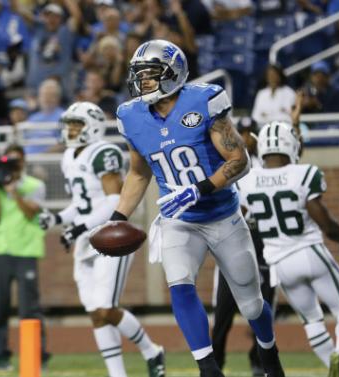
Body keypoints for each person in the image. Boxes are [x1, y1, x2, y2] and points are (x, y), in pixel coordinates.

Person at [107, 39, 285, 377]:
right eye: (138, 75)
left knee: (251, 302)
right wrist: (117, 218)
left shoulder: (202, 101)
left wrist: (198, 189)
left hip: (223, 216)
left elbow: (239, 160)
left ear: (173, 74)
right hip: (179, 219)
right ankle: (207, 367)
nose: (142, 82)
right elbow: (139, 171)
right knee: (180, 282)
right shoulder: (131, 117)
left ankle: (268, 353)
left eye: (150, 74)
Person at [38, 102, 165, 377]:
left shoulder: (104, 152)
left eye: (76, 124)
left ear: (93, 126)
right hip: (85, 239)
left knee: (107, 309)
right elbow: (80, 204)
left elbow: (113, 201)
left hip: (110, 237)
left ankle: (151, 350)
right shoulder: (69, 156)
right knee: (96, 313)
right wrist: (58, 220)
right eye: (69, 124)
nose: (70, 130)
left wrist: (78, 227)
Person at [239, 121, 339, 377]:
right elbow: (323, 220)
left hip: (279, 264)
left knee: (312, 321)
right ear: (291, 145)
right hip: (309, 251)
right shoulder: (303, 173)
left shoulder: (248, 180)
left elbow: (238, 219)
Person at [0, 143, 51, 371]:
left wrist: (14, 192)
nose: (12, 167)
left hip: (26, 251)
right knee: (0, 307)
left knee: (30, 308)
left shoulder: (34, 185)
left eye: (17, 161)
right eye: (8, 162)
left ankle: (39, 357)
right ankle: (0, 358)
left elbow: (31, 212)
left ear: (24, 162)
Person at [211, 116, 276, 377]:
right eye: (242, 132)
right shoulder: (224, 164)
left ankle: (259, 361)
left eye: (250, 132)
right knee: (223, 313)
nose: (246, 137)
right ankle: (216, 364)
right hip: (233, 239)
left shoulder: (265, 167)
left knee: (263, 309)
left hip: (263, 241)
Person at [24, 79, 65, 155]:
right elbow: (24, 141)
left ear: (58, 98)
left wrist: (42, 157)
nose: (47, 98)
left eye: (51, 95)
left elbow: (63, 144)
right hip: (27, 160)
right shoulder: (33, 118)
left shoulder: (64, 117)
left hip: (49, 162)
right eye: (44, 95)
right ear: (39, 97)